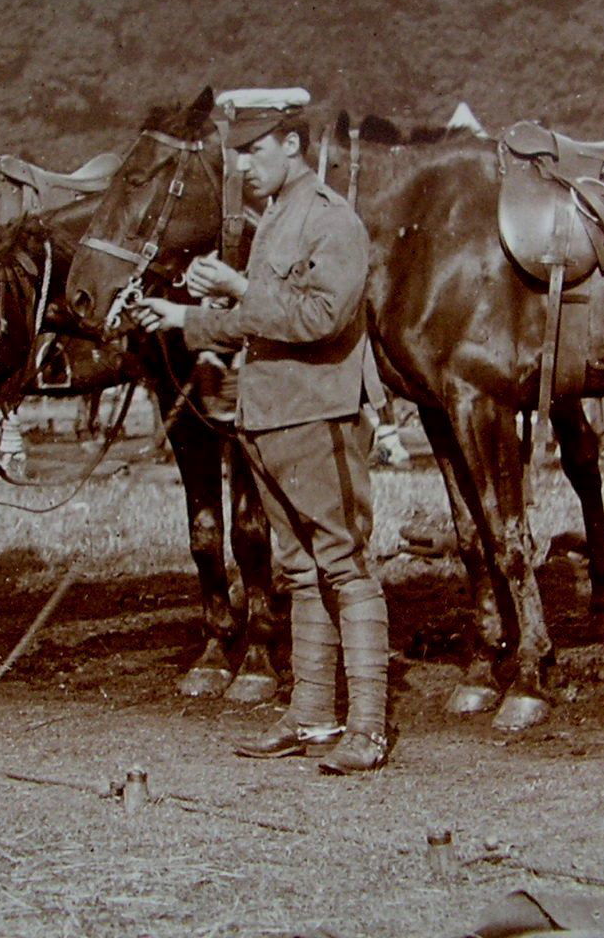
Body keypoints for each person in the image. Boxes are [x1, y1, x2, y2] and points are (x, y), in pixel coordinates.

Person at [132, 90, 392, 774]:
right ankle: (311, 715)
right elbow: (260, 322)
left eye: (254, 150)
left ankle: (367, 728)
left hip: (318, 413)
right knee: (300, 569)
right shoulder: (275, 217)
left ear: (292, 145)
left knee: (345, 563)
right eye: (238, 152)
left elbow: (321, 318)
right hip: (268, 414)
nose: (243, 164)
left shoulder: (329, 220)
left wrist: (242, 291)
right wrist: (184, 319)